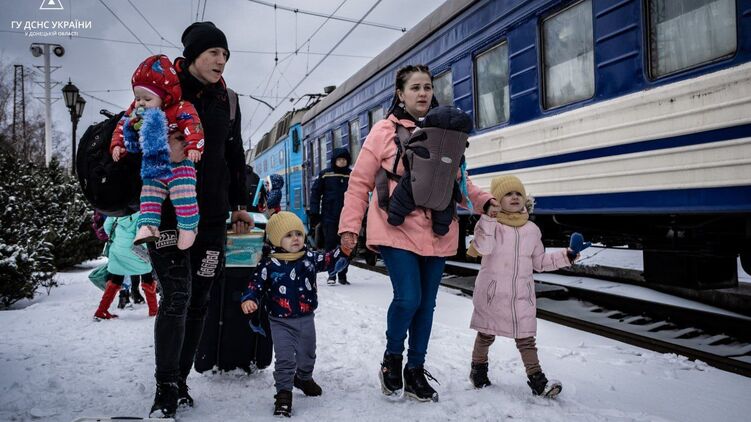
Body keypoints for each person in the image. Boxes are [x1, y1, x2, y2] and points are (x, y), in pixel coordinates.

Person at [338, 64, 496, 402]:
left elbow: (460, 181)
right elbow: (359, 183)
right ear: (400, 94)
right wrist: (349, 228)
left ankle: (415, 370)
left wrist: (486, 202)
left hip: (438, 230)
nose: (423, 93)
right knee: (409, 297)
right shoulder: (383, 131)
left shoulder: (446, 132)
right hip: (395, 227)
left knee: (426, 305)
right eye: (415, 87)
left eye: (427, 87)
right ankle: (392, 359)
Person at [147, 21, 253, 418]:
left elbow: (234, 154)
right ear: (193, 55)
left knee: (199, 300)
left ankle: (181, 380)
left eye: (225, 54)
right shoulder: (162, 91)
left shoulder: (229, 100)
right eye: (213, 53)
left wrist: (239, 203)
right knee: (177, 296)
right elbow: (134, 134)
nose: (221, 60)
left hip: (210, 219)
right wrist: (162, 148)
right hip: (168, 216)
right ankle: (165, 387)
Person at [467, 175, 574, 398]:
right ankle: (478, 370)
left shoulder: (532, 230)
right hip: (493, 294)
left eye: (518, 193)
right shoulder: (491, 225)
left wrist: (566, 256)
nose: (514, 197)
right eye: (508, 194)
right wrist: (488, 219)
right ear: (496, 200)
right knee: (485, 334)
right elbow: (483, 248)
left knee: (526, 339)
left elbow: (540, 262)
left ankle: (538, 381)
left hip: (521, 296)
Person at [240, 211, 348, 417]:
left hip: (306, 319)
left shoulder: (309, 258)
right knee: (285, 359)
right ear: (275, 239)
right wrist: (249, 299)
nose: (296, 238)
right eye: (288, 235)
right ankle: (283, 393)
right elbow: (255, 285)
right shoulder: (269, 264)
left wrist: (343, 249)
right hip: (280, 322)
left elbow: (328, 259)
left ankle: (304, 378)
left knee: (308, 354)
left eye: (298, 233)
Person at [110, 54, 204, 250]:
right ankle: (148, 226)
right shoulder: (136, 114)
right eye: (137, 98)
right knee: (149, 194)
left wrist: (194, 146)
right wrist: (118, 144)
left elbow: (193, 125)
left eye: (147, 98)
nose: (140, 103)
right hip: (154, 163)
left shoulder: (180, 108)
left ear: (164, 96)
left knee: (183, 193)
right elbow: (121, 126)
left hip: (180, 164)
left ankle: (188, 227)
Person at [93, 213, 158, 320]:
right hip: (137, 252)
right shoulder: (141, 212)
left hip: (118, 249)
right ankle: (154, 311)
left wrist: (117, 239)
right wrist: (148, 250)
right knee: (147, 278)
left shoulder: (117, 210)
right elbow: (143, 234)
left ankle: (101, 311)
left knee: (116, 279)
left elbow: (107, 226)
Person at [309, 147, 351, 285]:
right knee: (331, 246)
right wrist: (314, 212)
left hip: (347, 217)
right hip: (329, 217)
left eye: (344, 159)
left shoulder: (351, 175)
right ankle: (332, 274)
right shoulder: (325, 175)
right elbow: (315, 193)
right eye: (339, 159)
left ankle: (343, 275)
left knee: (346, 246)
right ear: (334, 160)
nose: (342, 162)